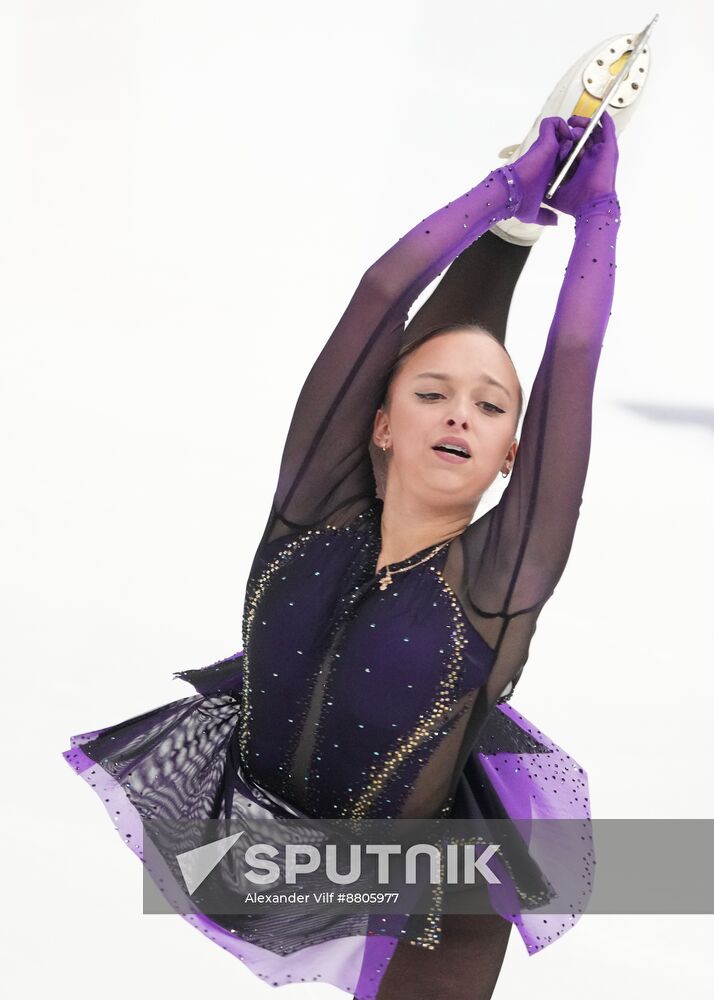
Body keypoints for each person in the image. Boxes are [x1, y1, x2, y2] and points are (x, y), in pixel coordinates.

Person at [63, 34, 637, 1000]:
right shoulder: (309, 515)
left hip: (412, 891)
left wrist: (601, 220)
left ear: (511, 458)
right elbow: (381, 298)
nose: (462, 412)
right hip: (244, 840)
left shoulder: (496, 586)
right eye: (433, 395)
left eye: (493, 408)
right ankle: (508, 245)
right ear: (376, 422)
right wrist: (500, 199)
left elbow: (570, 366)